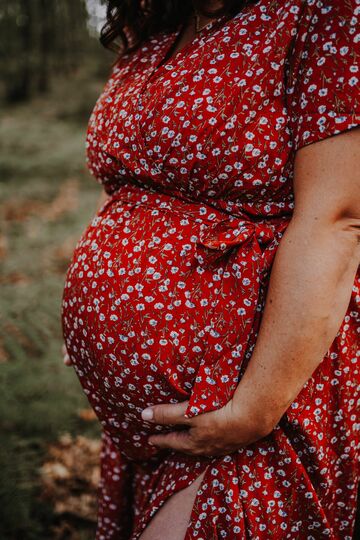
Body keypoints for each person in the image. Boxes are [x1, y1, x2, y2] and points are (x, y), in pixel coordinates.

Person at [61, 0, 360, 538]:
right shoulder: (158, 21)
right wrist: (95, 316)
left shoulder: (326, 15)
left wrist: (254, 410)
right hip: (157, 416)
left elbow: (336, 221)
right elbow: (131, 186)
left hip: (252, 393)